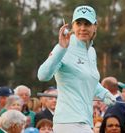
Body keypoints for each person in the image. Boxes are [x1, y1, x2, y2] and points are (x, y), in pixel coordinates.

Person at [37, 5, 115, 133]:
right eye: (79, 23)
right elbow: (42, 75)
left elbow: (89, 80)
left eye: (87, 24)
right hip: (68, 121)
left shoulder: (91, 52)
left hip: (85, 121)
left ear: (95, 26)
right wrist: (61, 49)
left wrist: (104, 93)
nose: (83, 28)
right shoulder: (63, 48)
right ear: (73, 26)